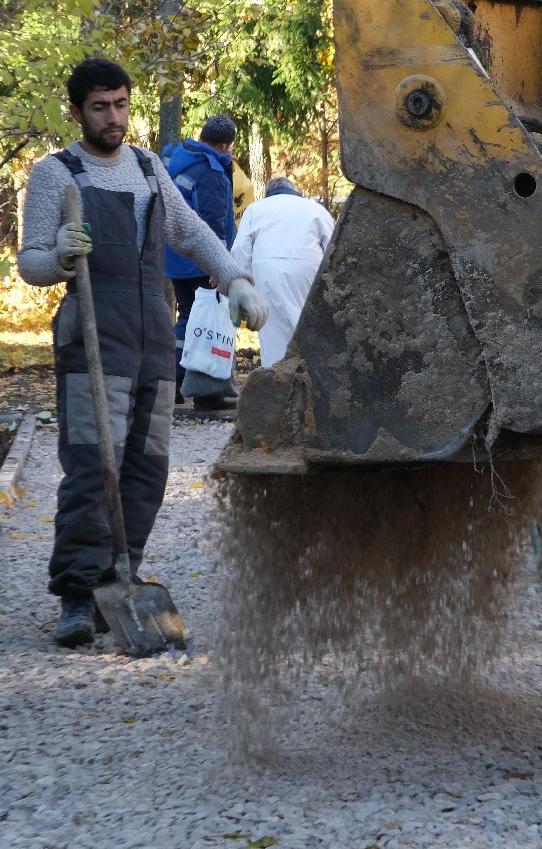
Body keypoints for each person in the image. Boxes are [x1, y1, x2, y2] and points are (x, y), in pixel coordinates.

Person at [17, 58, 268, 648]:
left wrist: (234, 278)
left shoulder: (150, 168)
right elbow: (29, 263)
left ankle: (118, 575)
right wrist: (57, 255)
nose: (113, 117)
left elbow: (192, 234)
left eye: (121, 104)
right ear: (76, 111)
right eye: (100, 106)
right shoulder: (57, 174)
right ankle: (78, 595)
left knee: (146, 467)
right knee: (90, 463)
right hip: (91, 336)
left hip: (154, 336)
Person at [162, 114, 239, 409]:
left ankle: (173, 384)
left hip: (174, 255)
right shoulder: (210, 171)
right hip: (198, 260)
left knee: (188, 317)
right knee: (202, 322)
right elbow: (213, 223)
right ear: (223, 145)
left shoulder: (177, 156)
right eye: (229, 148)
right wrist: (218, 267)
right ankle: (205, 390)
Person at [230, 176, 335, 365]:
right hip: (308, 266)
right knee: (307, 322)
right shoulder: (316, 209)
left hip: (266, 268)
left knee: (273, 330)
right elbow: (333, 247)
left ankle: (274, 376)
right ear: (294, 190)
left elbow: (240, 250)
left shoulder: (255, 209)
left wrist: (242, 284)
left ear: (268, 193)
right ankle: (309, 373)